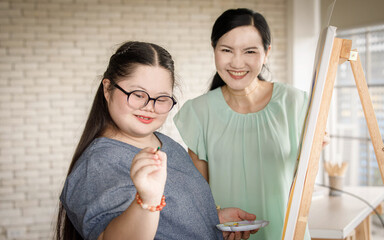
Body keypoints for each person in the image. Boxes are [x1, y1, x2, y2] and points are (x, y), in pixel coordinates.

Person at [55, 41, 259, 240]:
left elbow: (171, 222)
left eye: (161, 98)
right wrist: (147, 200)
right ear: (108, 90)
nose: (149, 106)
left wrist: (212, 222)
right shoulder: (98, 163)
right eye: (138, 94)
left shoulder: (168, 145)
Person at [174, 8, 313, 240]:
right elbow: (199, 197)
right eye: (226, 50)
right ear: (214, 49)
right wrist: (216, 218)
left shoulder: (295, 103)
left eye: (250, 51)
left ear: (266, 53)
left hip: (287, 234)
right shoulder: (198, 112)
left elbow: (303, 181)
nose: (237, 62)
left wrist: (317, 148)